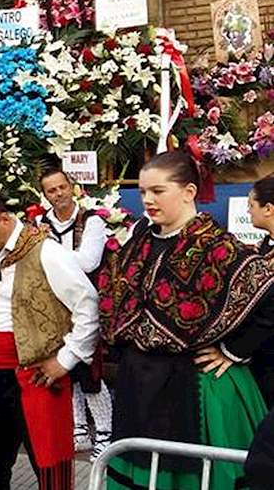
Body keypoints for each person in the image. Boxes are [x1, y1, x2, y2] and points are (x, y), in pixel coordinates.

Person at [98, 151, 274, 490]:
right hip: (140, 386)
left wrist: (234, 350)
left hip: (195, 388)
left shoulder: (218, 246)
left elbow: (268, 292)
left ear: (189, 191)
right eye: (144, 192)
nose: (147, 199)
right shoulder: (138, 244)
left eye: (158, 191)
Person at [0, 191, 99, 490]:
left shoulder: (47, 252)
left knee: (50, 467)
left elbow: (87, 305)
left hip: (38, 376)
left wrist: (66, 359)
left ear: (4, 219)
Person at [34, 166, 113, 457]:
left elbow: (89, 262)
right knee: (64, 368)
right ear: (45, 195)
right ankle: (78, 427)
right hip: (53, 306)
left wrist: (48, 247)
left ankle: (105, 430)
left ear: (72, 186)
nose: (58, 195)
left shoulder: (91, 221)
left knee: (89, 370)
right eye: (51, 191)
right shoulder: (40, 223)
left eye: (62, 188)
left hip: (84, 303)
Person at [245, 174, 274, 403]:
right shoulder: (261, 246)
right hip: (259, 355)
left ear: (268, 209)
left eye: (251, 205)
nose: (248, 212)